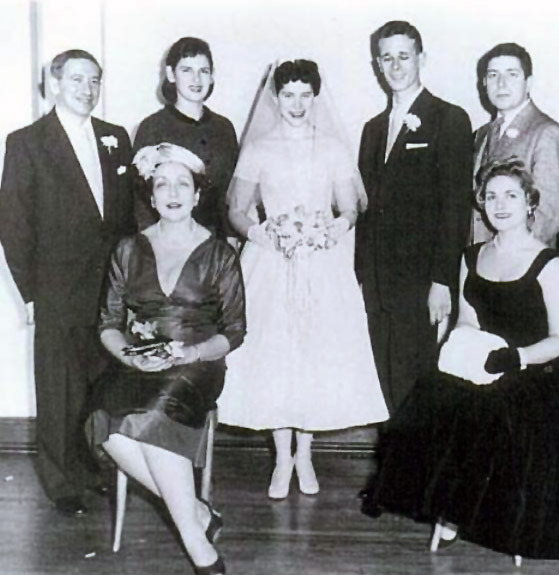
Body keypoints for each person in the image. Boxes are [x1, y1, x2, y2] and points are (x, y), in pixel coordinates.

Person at [365, 158, 559, 562]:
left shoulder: (550, 263)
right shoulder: (470, 256)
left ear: (530, 203)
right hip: (485, 362)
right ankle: (452, 508)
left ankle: (481, 515)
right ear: (481, 204)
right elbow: (468, 318)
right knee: (426, 403)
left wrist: (515, 358)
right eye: (491, 196)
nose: (500, 204)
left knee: (494, 415)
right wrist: (462, 350)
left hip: (535, 370)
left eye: (511, 195)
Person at [218, 60, 388, 499]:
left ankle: (306, 454)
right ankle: (281, 457)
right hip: (271, 260)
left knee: (313, 355)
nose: (296, 103)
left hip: (321, 261)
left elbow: (350, 207)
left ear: (316, 97)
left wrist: (329, 229)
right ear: (275, 99)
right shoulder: (259, 148)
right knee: (275, 355)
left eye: (305, 95)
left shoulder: (332, 147)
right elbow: (237, 208)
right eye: (288, 94)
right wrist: (263, 234)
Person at [85, 143, 246, 575]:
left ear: (197, 195)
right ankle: (196, 511)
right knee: (105, 421)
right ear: (151, 197)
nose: (172, 192)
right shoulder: (127, 249)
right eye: (162, 184)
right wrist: (131, 359)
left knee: (155, 416)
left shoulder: (220, 254)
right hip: (139, 361)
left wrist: (192, 351)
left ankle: (202, 552)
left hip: (198, 364)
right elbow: (107, 323)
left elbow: (233, 332)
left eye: (182, 184)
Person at [0, 49, 136, 516]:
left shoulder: (116, 139)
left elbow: (125, 220)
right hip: (56, 289)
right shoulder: (26, 142)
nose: (87, 88)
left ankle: (89, 468)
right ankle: (60, 483)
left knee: (99, 383)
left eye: (95, 80)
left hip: (109, 289)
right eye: (77, 79)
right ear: (53, 83)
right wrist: (31, 294)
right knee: (59, 388)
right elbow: (13, 225)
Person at [356, 20, 474, 414]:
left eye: (403, 56)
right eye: (386, 58)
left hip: (422, 282)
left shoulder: (449, 119)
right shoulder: (372, 130)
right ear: (377, 64)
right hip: (377, 286)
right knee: (385, 389)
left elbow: (455, 207)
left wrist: (442, 281)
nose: (395, 66)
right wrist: (360, 276)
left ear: (421, 58)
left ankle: (419, 476)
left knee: (418, 388)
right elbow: (367, 209)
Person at [134, 37, 239, 236]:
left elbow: (230, 194)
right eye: (187, 70)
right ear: (170, 74)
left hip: (217, 243)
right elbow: (141, 202)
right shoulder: (152, 127)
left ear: (212, 76)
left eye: (203, 71)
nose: (196, 80)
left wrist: (231, 238)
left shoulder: (224, 128)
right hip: (167, 241)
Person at [471, 43, 559, 246]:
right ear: (484, 83)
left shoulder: (546, 132)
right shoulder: (482, 134)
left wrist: (509, 260)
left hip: (520, 265)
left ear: (528, 82)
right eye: (493, 75)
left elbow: (548, 217)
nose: (501, 84)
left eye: (512, 74)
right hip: (481, 260)